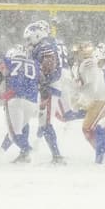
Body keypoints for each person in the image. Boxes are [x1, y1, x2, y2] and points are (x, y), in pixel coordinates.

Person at [23, 20, 66, 164]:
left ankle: (57, 156)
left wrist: (40, 82)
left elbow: (48, 69)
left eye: (29, 39)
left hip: (50, 88)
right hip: (46, 87)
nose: (28, 42)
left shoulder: (45, 47)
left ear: (37, 35)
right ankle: (29, 150)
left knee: (46, 124)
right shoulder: (43, 45)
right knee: (41, 123)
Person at [0, 43, 42, 164]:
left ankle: (28, 151)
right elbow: (42, 81)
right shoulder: (34, 63)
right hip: (32, 101)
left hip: (15, 100)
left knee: (14, 132)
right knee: (20, 129)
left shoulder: (8, 61)